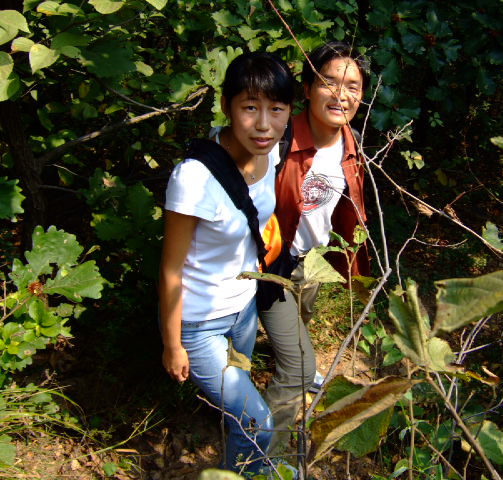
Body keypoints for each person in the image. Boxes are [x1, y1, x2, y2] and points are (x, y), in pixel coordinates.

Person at [158, 51, 293, 476]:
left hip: (244, 309)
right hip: (199, 324)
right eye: (250, 107)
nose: (264, 124)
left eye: (276, 109)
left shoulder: (270, 152)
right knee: (257, 421)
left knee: (239, 410)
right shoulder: (194, 178)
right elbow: (170, 270)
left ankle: (240, 455)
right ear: (226, 107)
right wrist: (172, 344)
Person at [260, 41, 371, 455]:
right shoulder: (278, 135)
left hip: (314, 261)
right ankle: (265, 457)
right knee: (296, 366)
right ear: (306, 89)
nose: (342, 94)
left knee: (301, 320)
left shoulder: (351, 144)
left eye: (353, 86)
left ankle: (288, 353)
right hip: (270, 263)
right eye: (329, 82)